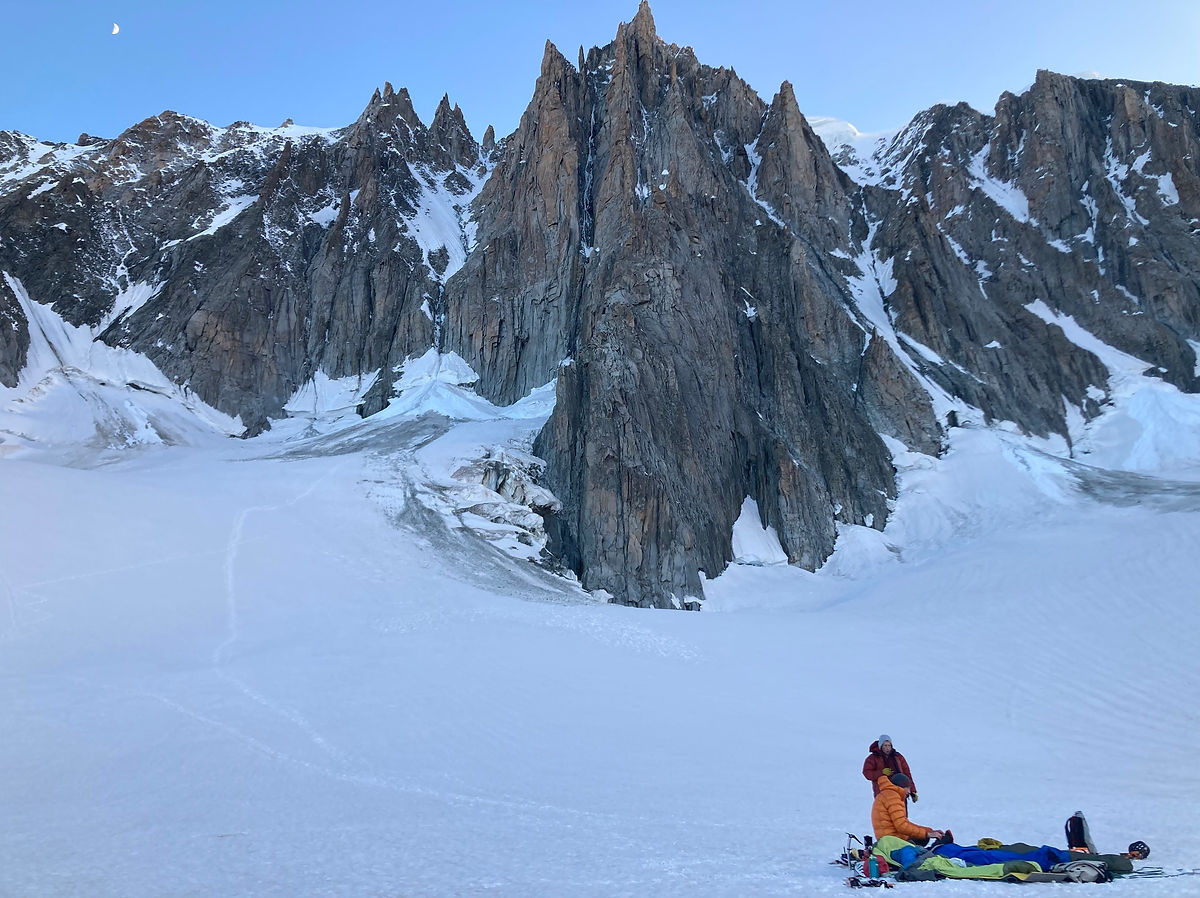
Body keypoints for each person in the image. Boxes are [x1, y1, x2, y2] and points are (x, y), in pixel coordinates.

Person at [871, 772, 948, 845]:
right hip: (892, 841)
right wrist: (927, 834)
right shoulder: (893, 797)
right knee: (922, 838)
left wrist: (929, 831)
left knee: (922, 837)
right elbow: (901, 826)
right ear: (901, 787)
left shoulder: (888, 794)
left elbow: (904, 823)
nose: (909, 792)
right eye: (907, 788)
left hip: (888, 838)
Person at [863, 734, 917, 800]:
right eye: (885, 745)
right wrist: (881, 772)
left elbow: (907, 774)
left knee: (899, 806)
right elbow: (867, 773)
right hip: (882, 793)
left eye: (889, 745)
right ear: (880, 746)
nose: (887, 748)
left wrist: (912, 790)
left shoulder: (898, 757)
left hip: (900, 792)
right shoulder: (872, 758)